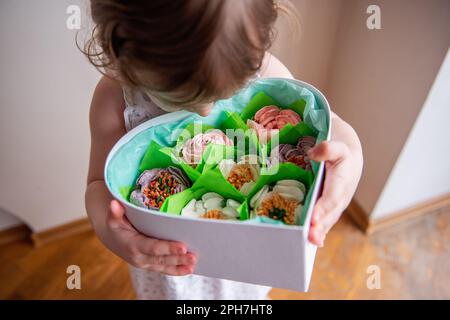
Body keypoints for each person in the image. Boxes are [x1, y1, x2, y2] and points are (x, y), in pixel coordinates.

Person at [83, 0, 363, 299]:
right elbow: (98, 184)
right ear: (120, 52)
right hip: (167, 262)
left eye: (227, 93)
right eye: (176, 100)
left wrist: (351, 155)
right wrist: (113, 233)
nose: (205, 112)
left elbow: (330, 123)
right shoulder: (113, 99)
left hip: (245, 257)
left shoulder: (264, 69)